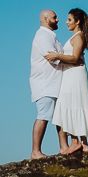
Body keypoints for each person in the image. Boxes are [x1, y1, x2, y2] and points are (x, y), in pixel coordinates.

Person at [45, 7, 88, 154]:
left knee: (73, 104)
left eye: (69, 20)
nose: (66, 22)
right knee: (73, 104)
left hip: (75, 75)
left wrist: (57, 56)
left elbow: (75, 58)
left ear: (77, 21)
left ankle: (77, 142)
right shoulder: (75, 37)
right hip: (71, 74)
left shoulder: (78, 37)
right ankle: (83, 144)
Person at [29, 9, 64, 159]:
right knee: (43, 115)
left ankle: (64, 147)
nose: (57, 20)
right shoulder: (43, 35)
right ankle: (35, 151)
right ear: (45, 19)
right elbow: (53, 57)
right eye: (54, 17)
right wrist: (73, 58)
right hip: (45, 84)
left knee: (61, 117)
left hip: (54, 83)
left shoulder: (50, 36)